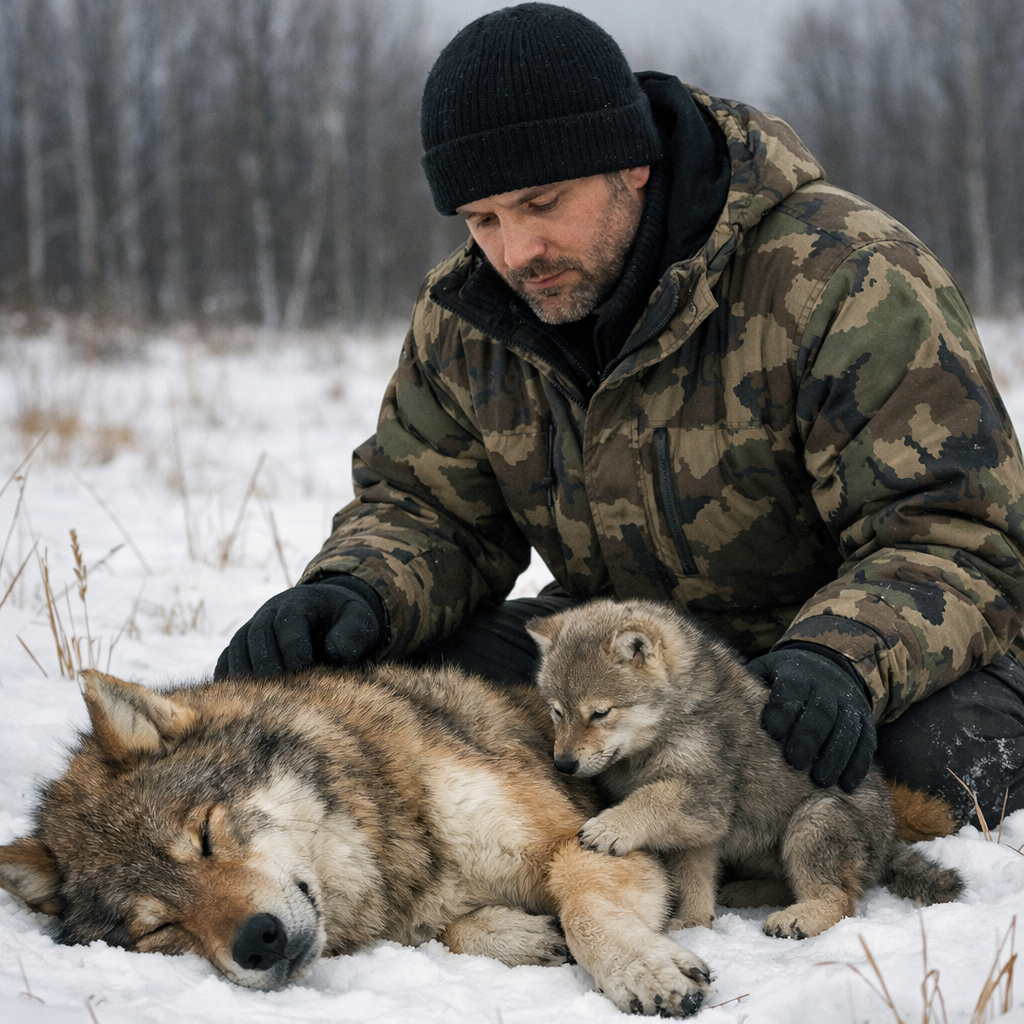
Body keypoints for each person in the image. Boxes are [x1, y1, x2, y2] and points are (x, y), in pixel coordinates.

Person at [217, 3, 1024, 825]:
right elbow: (430, 511)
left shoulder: (845, 273)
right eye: (482, 219)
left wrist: (840, 658)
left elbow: (954, 532)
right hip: (615, 671)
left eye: (542, 203)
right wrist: (357, 593)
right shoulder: (468, 313)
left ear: (631, 164)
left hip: (832, 657)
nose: (515, 252)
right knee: (390, 684)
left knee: (927, 765)